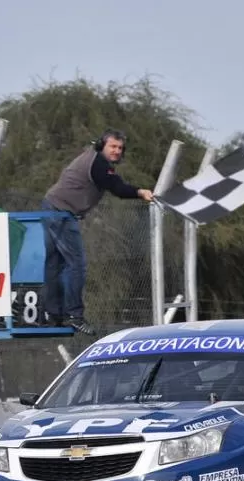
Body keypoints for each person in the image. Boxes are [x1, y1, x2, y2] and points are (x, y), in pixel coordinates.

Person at [40, 129, 155, 335]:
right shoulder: (98, 164)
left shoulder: (93, 158)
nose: (117, 151)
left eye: (120, 148)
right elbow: (117, 188)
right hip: (61, 212)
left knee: (54, 264)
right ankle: (74, 315)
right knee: (76, 264)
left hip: (51, 206)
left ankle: (53, 315)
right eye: (113, 146)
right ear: (102, 145)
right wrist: (140, 192)